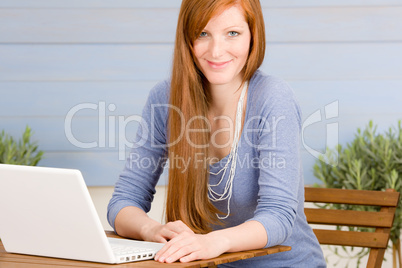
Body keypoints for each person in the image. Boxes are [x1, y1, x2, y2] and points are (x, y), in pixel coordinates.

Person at [107, 0, 326, 266]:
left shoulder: (273, 97)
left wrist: (212, 241)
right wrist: (150, 230)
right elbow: (123, 201)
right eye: (203, 34)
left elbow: (278, 216)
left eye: (232, 33)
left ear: (253, 36)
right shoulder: (165, 98)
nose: (216, 50)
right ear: (187, 39)